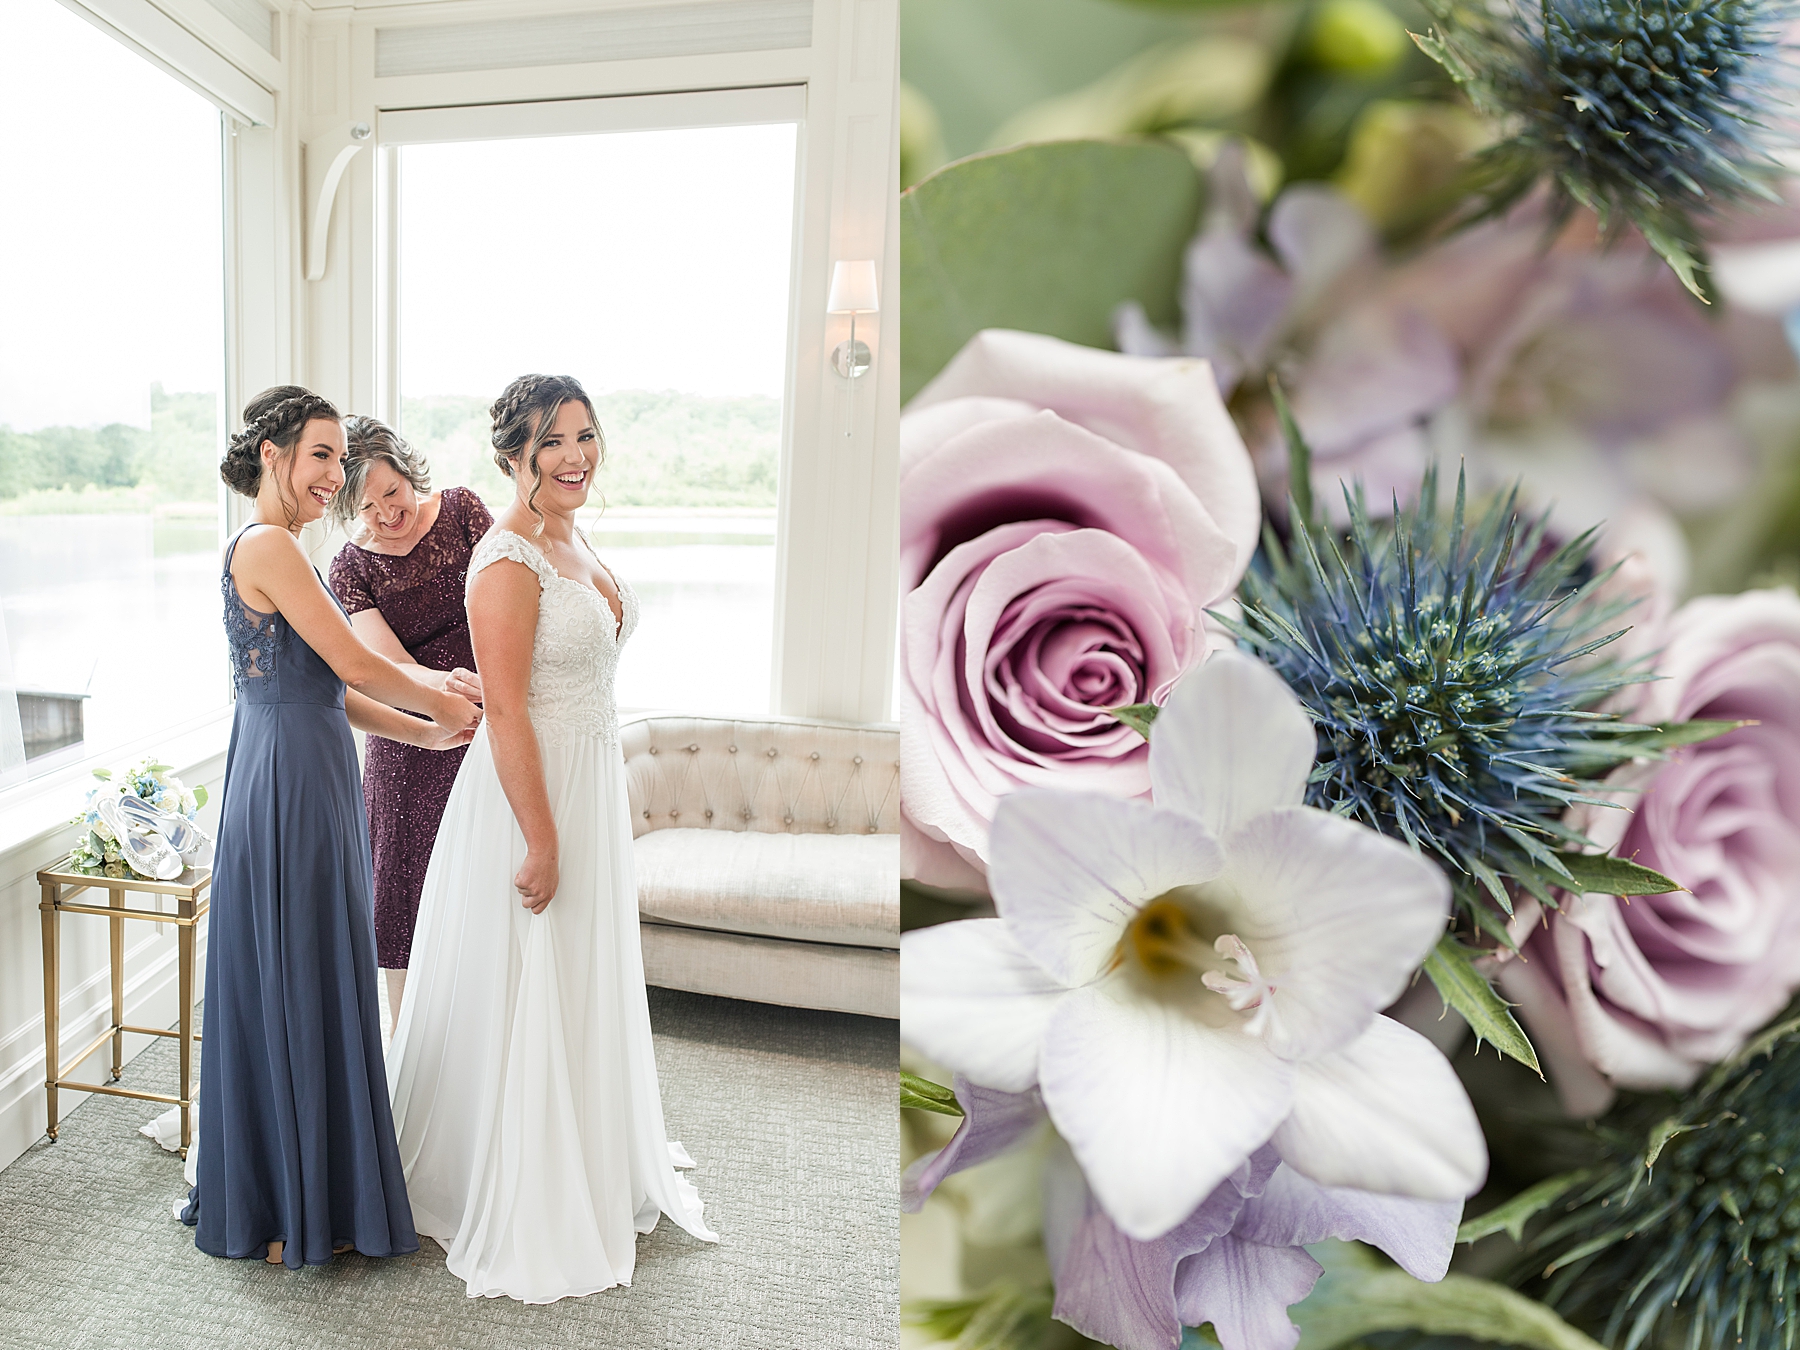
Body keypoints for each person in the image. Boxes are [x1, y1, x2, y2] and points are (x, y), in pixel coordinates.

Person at [388, 374, 715, 1303]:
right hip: (534, 796)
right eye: (552, 443)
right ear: (512, 459)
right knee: (529, 976)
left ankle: (593, 1153)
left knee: (581, 978)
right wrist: (542, 838)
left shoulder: (570, 537)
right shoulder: (502, 563)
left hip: (592, 780)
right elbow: (508, 718)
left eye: (584, 436)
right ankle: (510, 1174)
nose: (576, 456)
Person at [184, 385, 480, 1269]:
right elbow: (354, 658)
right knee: (295, 973)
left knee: (315, 968)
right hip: (286, 782)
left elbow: (335, 693)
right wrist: (449, 689)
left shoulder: (288, 551)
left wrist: (427, 728)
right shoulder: (269, 543)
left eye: (340, 460)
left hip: (308, 767)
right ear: (272, 455)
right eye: (321, 455)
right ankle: (288, 1205)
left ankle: (317, 1192)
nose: (336, 476)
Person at [327, 417, 492, 1022]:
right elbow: (385, 664)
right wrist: (449, 691)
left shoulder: (465, 512)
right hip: (408, 741)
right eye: (365, 507)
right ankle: (408, 1039)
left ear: (410, 474)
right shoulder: (351, 569)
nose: (384, 515)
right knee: (400, 893)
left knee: (483, 877)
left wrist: (491, 692)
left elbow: (513, 601)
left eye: (391, 493)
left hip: (490, 719)